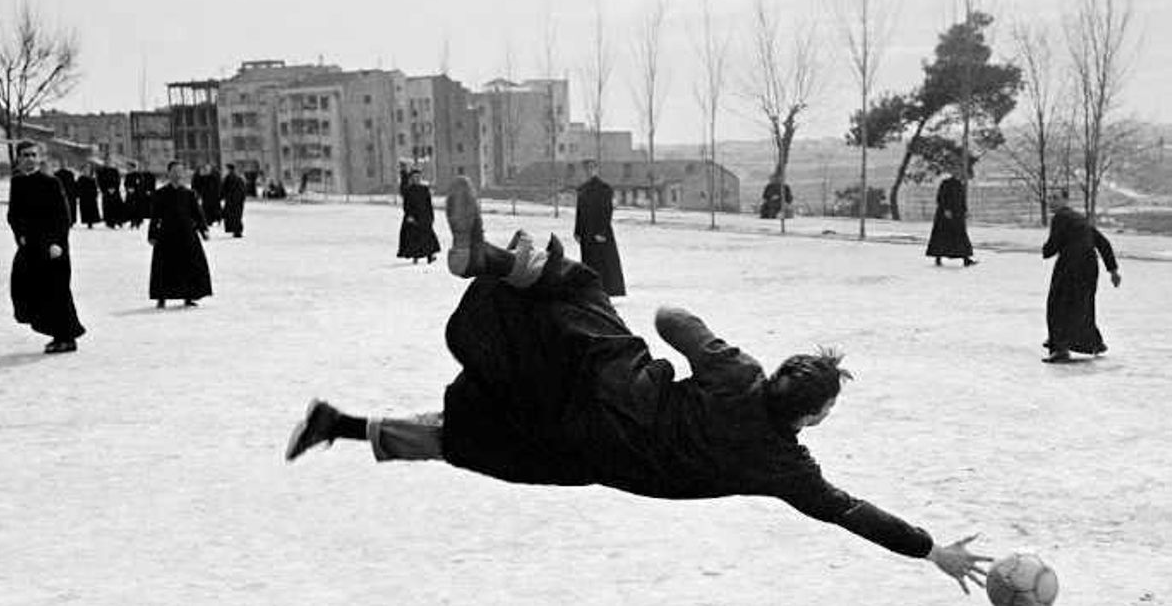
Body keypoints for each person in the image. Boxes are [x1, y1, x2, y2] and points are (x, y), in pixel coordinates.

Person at [286, 176, 991, 594]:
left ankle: (495, 264)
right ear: (813, 418)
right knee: (473, 440)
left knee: (577, 290)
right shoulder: (783, 466)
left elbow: (669, 317)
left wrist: (709, 346)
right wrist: (931, 549)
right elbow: (851, 511)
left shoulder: (738, 374)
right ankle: (346, 414)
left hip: (608, 379)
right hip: (586, 447)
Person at [7, 142, 86, 353]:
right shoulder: (17, 182)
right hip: (30, 246)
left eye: (33, 155)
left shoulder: (51, 182)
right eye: (25, 155)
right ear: (18, 158)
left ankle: (66, 338)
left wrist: (57, 243)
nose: (30, 159)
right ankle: (55, 332)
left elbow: (63, 216)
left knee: (56, 292)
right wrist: (20, 235)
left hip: (53, 248)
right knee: (25, 286)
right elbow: (13, 215)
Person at [1041, 188, 1121, 363]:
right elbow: (1103, 243)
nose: (1051, 201)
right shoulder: (1079, 219)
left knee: (1058, 305)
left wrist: (1045, 250)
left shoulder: (1060, 217)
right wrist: (1113, 270)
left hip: (1071, 265)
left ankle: (1060, 348)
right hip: (1089, 267)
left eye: (1055, 198)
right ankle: (1094, 343)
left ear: (1065, 200)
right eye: (1049, 198)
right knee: (1082, 304)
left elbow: (1052, 246)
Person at [149, 161, 212, 309]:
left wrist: (203, 230)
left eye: (180, 172)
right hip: (167, 235)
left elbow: (197, 214)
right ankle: (162, 297)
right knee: (164, 267)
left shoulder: (189, 194)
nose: (177, 175)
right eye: (174, 171)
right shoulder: (160, 194)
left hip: (187, 234)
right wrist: (152, 234)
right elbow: (155, 216)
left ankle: (189, 296)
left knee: (190, 266)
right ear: (169, 173)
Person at [574, 159, 626, 296]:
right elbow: (579, 212)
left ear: (597, 169)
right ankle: (591, 290)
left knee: (604, 263)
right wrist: (577, 231)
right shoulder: (582, 190)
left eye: (592, 168)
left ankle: (606, 291)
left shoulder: (604, 189)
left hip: (600, 232)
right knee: (588, 262)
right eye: (587, 168)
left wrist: (602, 232)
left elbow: (607, 211)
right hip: (586, 232)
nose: (589, 171)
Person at [925, 174, 977, 267]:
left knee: (960, 236)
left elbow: (962, 199)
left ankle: (966, 259)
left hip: (958, 214)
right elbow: (940, 198)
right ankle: (938, 258)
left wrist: (965, 210)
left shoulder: (960, 184)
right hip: (945, 216)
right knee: (942, 236)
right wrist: (946, 209)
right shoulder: (946, 183)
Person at [395, 164, 440, 264]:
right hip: (413, 216)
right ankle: (415, 256)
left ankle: (430, 255)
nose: (417, 179)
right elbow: (406, 204)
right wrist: (409, 216)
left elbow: (428, 204)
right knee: (413, 237)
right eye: (414, 177)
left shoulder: (424, 189)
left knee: (427, 236)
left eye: (418, 177)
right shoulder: (408, 190)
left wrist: (431, 216)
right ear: (411, 179)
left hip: (424, 216)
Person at [96, 157, 125, 229]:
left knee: (117, 206)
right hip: (106, 192)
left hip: (115, 191)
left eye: (109, 162)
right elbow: (99, 181)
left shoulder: (114, 171)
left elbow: (118, 180)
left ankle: (119, 221)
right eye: (106, 162)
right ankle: (109, 222)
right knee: (107, 207)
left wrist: (114, 188)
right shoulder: (101, 171)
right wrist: (105, 190)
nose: (108, 163)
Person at [221, 163, 247, 238]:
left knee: (231, 216)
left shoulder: (228, 178)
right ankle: (238, 231)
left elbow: (224, 188)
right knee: (237, 216)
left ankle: (235, 230)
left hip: (231, 200)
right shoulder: (238, 178)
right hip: (238, 200)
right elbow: (243, 189)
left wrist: (221, 196)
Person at [53, 159, 78, 227]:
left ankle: (71, 221)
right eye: (62, 163)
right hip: (61, 194)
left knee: (71, 208)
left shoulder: (70, 173)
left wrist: (75, 194)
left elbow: (73, 184)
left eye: (64, 163)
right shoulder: (56, 174)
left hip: (70, 193)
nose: (63, 165)